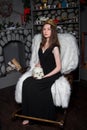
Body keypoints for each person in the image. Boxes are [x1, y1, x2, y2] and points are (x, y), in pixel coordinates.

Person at [22, 19, 62, 125]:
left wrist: (46, 76)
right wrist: (38, 63)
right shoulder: (41, 44)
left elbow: (58, 67)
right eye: (44, 29)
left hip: (53, 74)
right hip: (42, 72)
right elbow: (43, 58)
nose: (46, 31)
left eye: (48, 29)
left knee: (35, 86)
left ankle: (38, 116)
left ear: (53, 31)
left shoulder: (55, 47)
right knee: (26, 83)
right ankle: (27, 115)